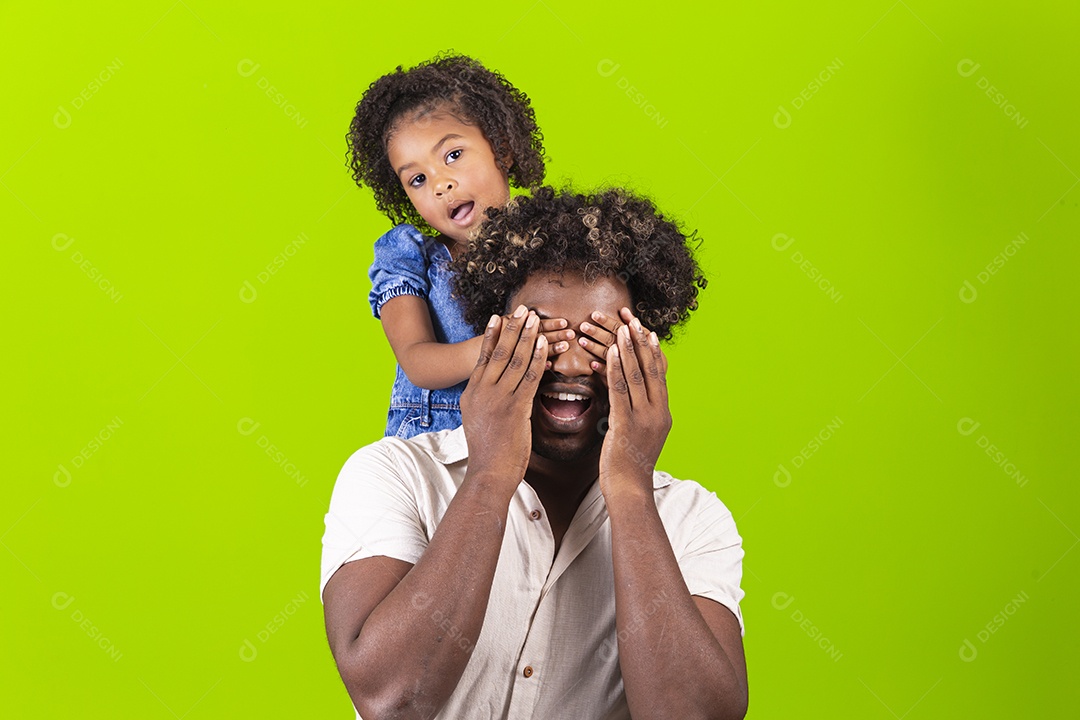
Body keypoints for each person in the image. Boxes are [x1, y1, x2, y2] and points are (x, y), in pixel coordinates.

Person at [321, 187, 747, 720]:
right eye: (541, 332)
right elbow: (392, 698)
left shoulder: (692, 520)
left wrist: (632, 490)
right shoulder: (395, 476)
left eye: (598, 339)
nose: (568, 364)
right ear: (491, 337)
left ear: (644, 352)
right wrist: (490, 475)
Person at [348, 53, 575, 438]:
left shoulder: (554, 247)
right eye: (417, 179)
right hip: (432, 453)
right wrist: (507, 344)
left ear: (501, 149)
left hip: (527, 450)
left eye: (453, 155)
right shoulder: (409, 257)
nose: (440, 183)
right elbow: (419, 362)